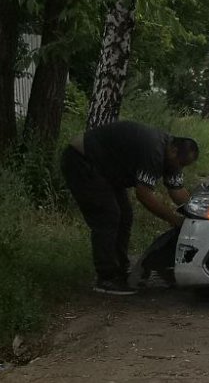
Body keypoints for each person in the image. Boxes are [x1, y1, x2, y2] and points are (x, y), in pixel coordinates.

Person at [60, 121, 199, 295]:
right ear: (174, 151)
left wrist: (197, 213)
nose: (180, 168)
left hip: (107, 171)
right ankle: (106, 278)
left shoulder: (172, 157)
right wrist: (173, 219)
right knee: (109, 216)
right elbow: (144, 195)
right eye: (181, 163)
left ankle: (120, 270)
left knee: (125, 216)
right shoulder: (154, 150)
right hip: (82, 161)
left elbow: (176, 190)